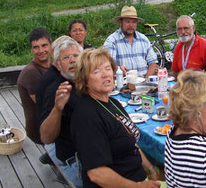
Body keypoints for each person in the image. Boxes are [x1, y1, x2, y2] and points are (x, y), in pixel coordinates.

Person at [70, 47, 161, 188]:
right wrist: (137, 186)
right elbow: (97, 173)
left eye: (107, 68)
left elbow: (131, 142)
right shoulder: (87, 116)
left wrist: (151, 170)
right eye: (96, 71)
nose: (105, 75)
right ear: (85, 80)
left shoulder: (112, 102)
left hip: (138, 177)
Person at [38, 37, 83, 186]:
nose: (72, 60)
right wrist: (57, 109)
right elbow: (46, 137)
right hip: (77, 163)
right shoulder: (57, 91)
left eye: (76, 56)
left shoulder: (84, 82)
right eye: (66, 57)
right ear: (57, 66)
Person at [17, 28, 52, 163]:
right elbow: (45, 105)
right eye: (36, 47)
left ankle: (50, 154)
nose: (41, 50)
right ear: (31, 50)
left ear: (50, 45)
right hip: (39, 128)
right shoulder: (31, 73)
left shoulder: (51, 66)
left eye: (44, 45)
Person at [103, 6, 158, 77]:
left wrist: (146, 80)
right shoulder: (112, 41)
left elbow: (153, 62)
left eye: (134, 22)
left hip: (144, 81)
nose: (131, 25)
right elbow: (107, 66)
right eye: (127, 22)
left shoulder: (143, 39)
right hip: (123, 84)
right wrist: (118, 69)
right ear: (120, 22)